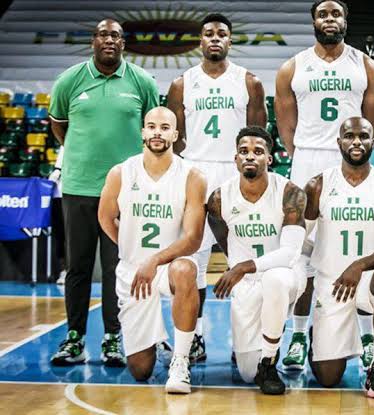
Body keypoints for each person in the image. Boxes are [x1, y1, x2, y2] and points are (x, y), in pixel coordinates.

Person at [275, 0, 374, 371]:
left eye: (335, 13)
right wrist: (306, 156)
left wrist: (353, 156)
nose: (329, 19)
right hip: (307, 158)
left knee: (361, 246)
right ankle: (298, 336)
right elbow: (286, 126)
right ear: (313, 21)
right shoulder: (292, 67)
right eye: (322, 14)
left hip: (350, 161)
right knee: (302, 255)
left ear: (345, 20)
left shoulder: (366, 66)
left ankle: (366, 337)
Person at [48, 18, 160, 367]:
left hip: (125, 191)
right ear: (93, 41)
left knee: (118, 268)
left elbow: (153, 127)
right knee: (78, 266)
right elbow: (59, 126)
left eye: (115, 35)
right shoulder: (69, 80)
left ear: (123, 43)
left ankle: (113, 337)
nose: (109, 40)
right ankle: (75, 338)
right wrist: (83, 155)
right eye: (102, 35)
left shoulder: (141, 81)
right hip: (79, 187)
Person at [166, 13, 267, 364]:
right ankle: (194, 336)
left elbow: (257, 136)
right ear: (200, 40)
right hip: (195, 173)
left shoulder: (249, 81)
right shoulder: (182, 84)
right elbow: (175, 138)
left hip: (234, 176)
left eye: (221, 34)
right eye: (208, 33)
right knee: (193, 260)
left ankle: (247, 340)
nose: (214, 38)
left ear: (229, 40)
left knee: (243, 258)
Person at [97, 107, 207, 394]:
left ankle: (180, 360)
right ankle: (155, 342)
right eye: (152, 126)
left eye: (164, 127)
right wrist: (129, 246)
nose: (157, 132)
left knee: (186, 269)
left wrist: (155, 260)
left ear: (175, 134)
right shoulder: (121, 173)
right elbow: (105, 217)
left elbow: (193, 239)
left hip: (168, 266)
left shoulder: (192, 176)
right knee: (140, 370)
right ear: (143, 132)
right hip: (133, 270)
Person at [306, 117, 374, 399]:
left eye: (363, 136)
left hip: (367, 279)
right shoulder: (318, 185)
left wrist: (358, 266)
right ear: (339, 142)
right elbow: (299, 236)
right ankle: (318, 335)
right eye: (349, 136)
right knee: (328, 378)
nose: (356, 142)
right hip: (332, 282)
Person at [206, 126, 307, 395]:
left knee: (275, 279)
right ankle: (258, 353)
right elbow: (223, 238)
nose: (250, 156)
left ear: (269, 159)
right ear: (235, 159)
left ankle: (268, 362)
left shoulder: (290, 193)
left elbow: (290, 252)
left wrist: (241, 266)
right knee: (247, 374)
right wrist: (240, 267)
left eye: (258, 151)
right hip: (247, 283)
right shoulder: (219, 198)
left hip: (286, 273)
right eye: (244, 151)